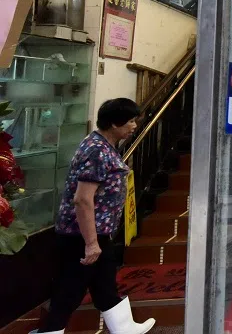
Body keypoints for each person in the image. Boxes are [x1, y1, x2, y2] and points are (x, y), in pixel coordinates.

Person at [33, 98, 156, 334]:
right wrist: (91, 243)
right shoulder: (97, 151)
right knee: (71, 289)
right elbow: (82, 198)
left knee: (103, 282)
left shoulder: (102, 145)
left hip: (97, 231)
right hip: (82, 233)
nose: (134, 126)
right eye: (130, 121)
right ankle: (51, 331)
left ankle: (124, 327)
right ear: (113, 123)